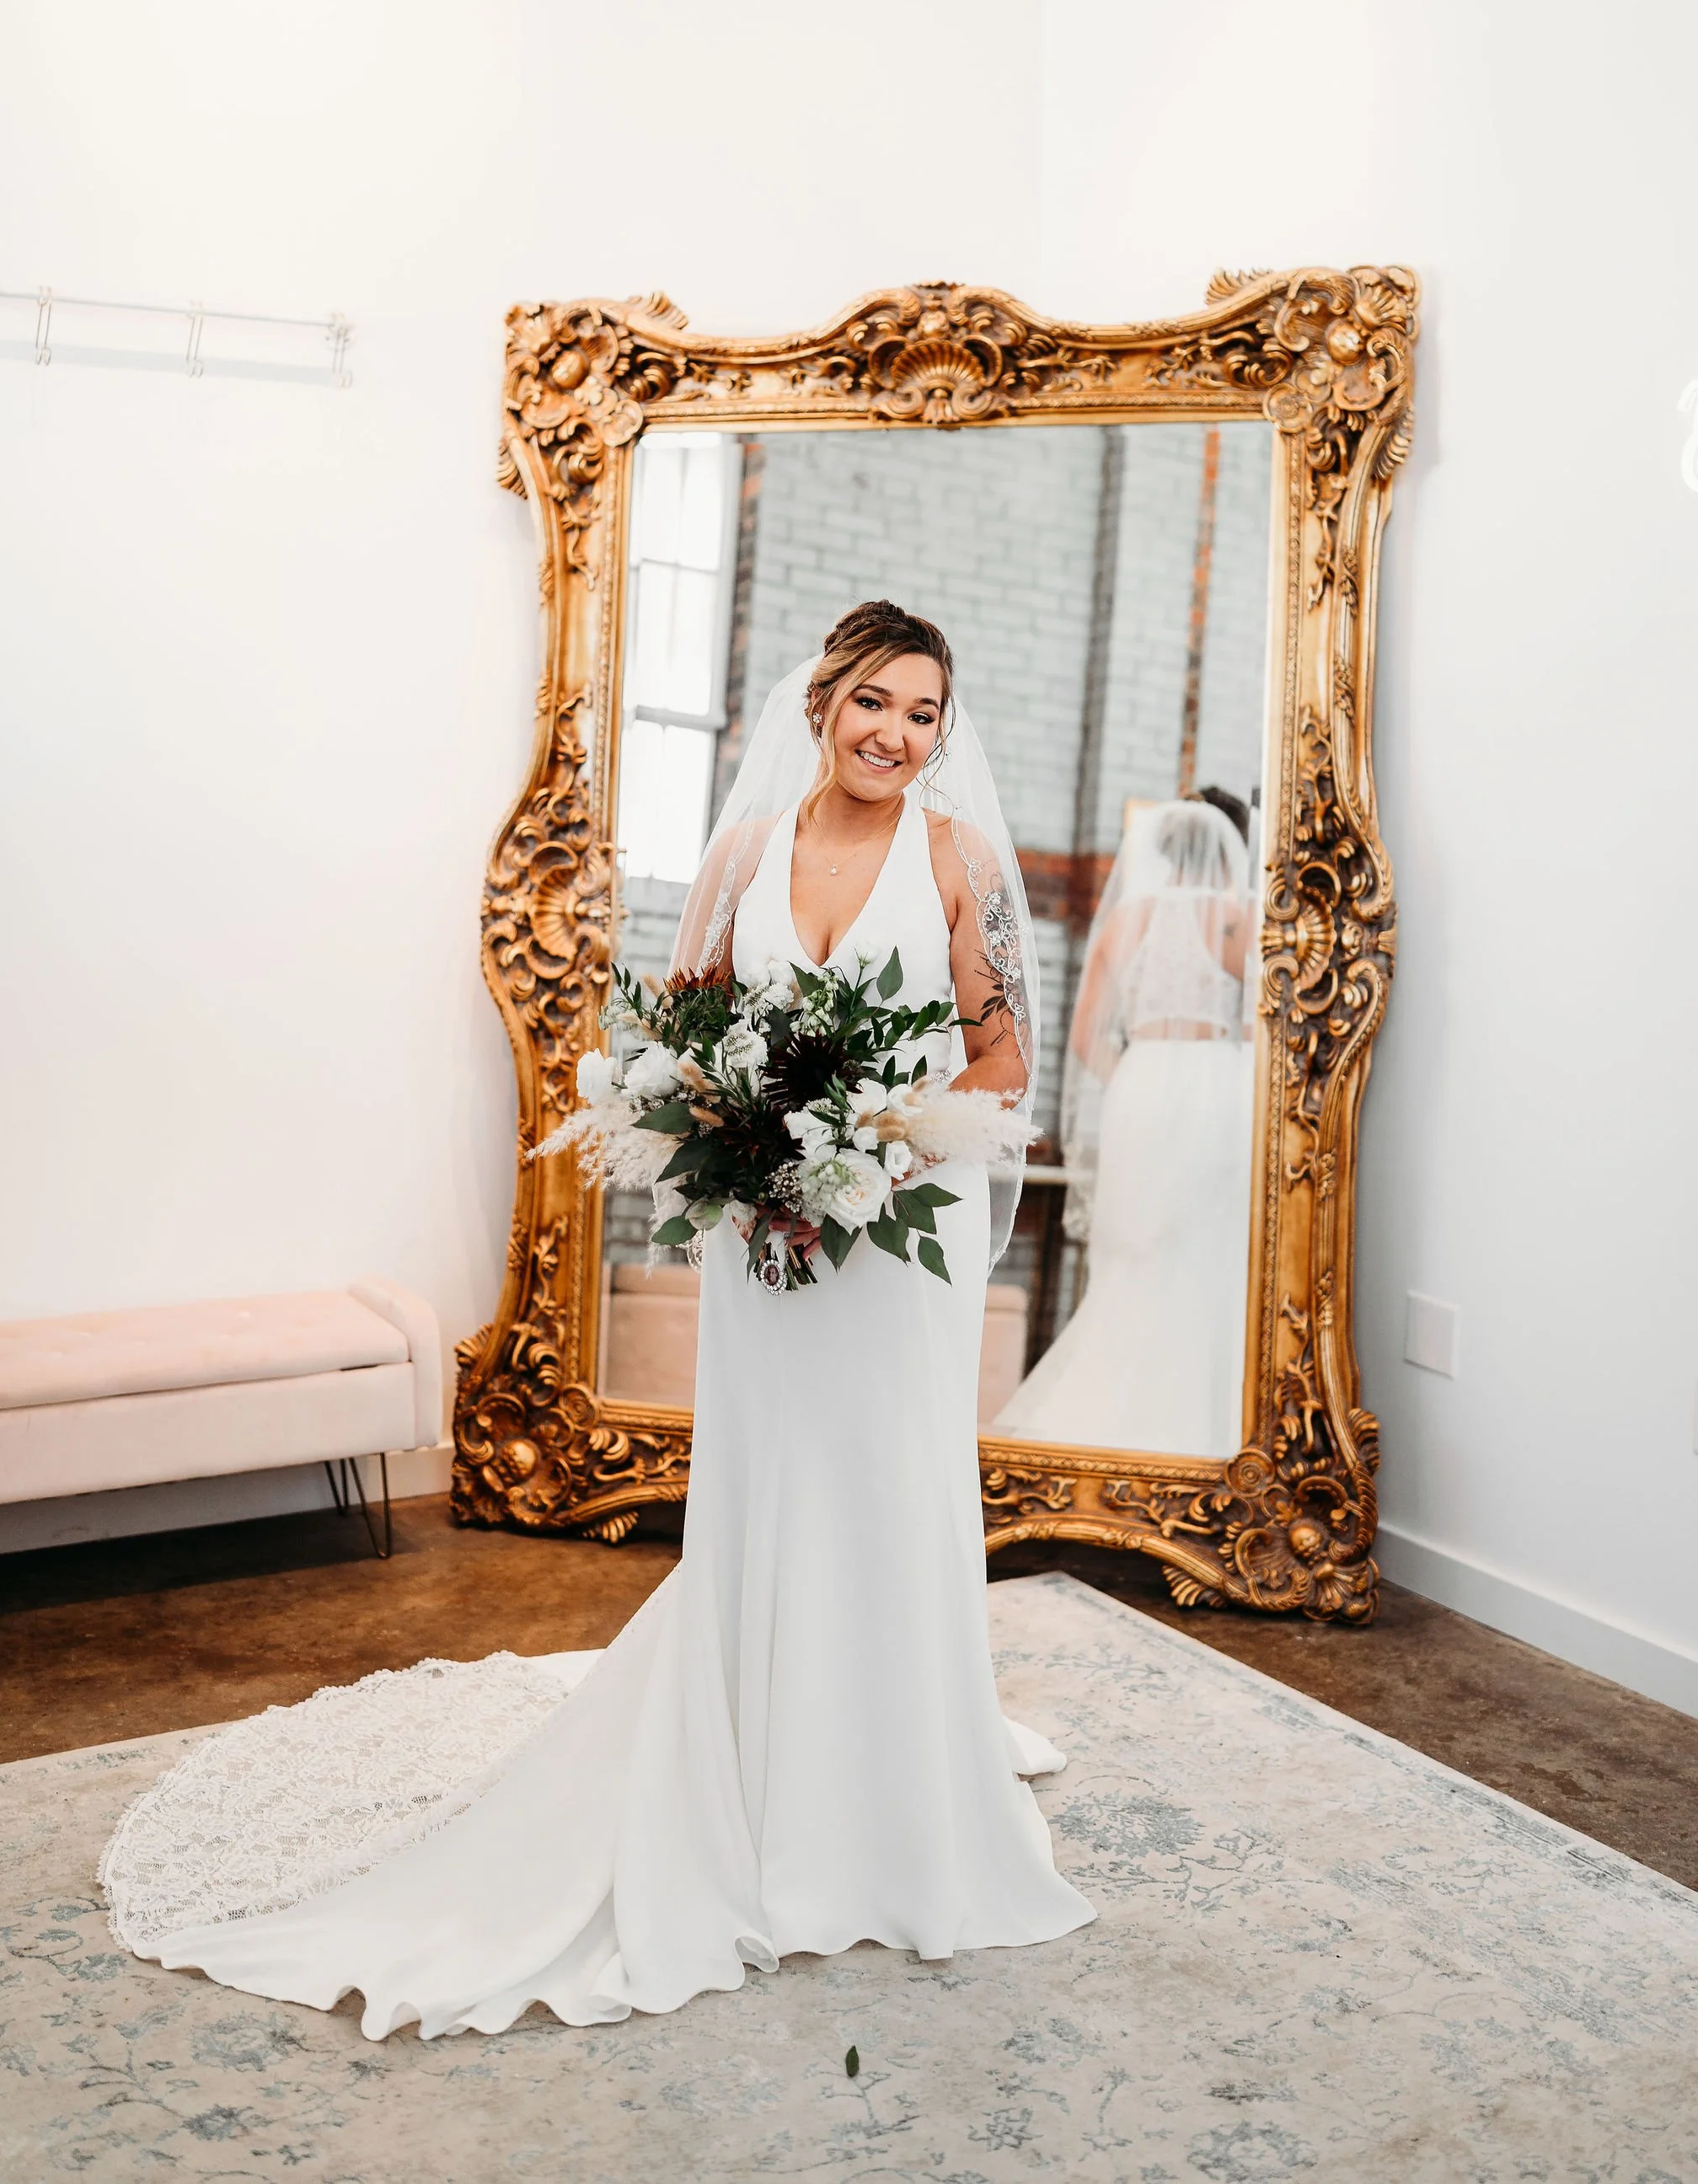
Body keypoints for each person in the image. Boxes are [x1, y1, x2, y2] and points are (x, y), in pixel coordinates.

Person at [101, 600, 1094, 2037]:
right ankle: (749, 1766)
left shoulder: (958, 859)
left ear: (944, 732)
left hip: (894, 1246)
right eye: (874, 700)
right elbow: (688, 1040)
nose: (895, 732)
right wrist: (750, 1152)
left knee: (889, 1482)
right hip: (763, 1243)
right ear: (822, 703)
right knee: (769, 1487)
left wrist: (865, 1148)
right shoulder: (743, 856)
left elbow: (1000, 1068)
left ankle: (888, 1792)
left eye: (923, 711)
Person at [995, 795, 1256, 1458]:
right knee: (1206, 1246)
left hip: (1139, 1087)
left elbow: (1086, 1037)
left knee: (1136, 1251)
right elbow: (1264, 1029)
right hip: (1215, 1086)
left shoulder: (1124, 920)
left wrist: (1143, 1081)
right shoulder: (1238, 920)